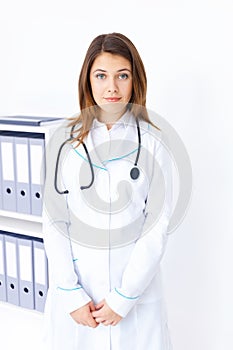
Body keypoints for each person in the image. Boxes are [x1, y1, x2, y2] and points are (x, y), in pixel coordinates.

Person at [42, 32, 174, 350]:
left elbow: (156, 227)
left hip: (135, 303)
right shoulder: (63, 140)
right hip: (77, 301)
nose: (111, 87)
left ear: (135, 80)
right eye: (101, 75)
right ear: (88, 80)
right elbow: (54, 222)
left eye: (122, 75)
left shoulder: (154, 143)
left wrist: (123, 298)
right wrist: (71, 294)